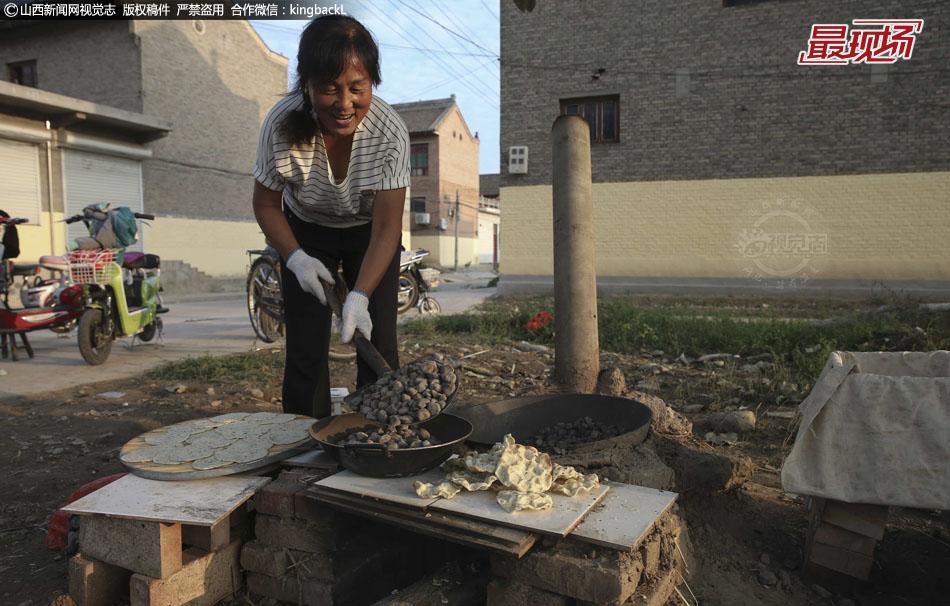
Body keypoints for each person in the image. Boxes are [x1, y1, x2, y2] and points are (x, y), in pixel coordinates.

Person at [252, 15, 409, 419]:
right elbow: (267, 204)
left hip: (369, 234)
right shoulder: (280, 126)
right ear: (307, 84)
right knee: (305, 344)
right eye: (328, 89)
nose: (344, 104)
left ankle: (376, 431)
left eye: (358, 88)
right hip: (306, 231)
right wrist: (296, 258)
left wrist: (359, 294)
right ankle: (303, 438)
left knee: (378, 340)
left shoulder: (389, 132)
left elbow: (388, 226)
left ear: (372, 82)